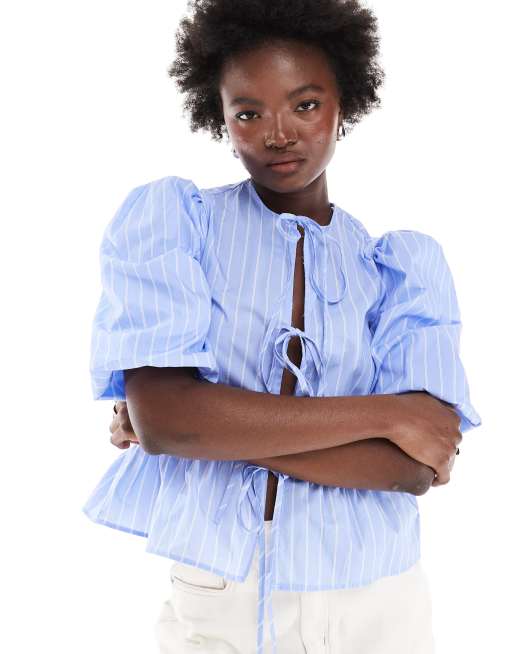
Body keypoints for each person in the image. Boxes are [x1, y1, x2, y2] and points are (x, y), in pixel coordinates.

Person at [82, 1, 482, 652]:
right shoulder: (175, 226)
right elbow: (168, 422)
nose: (278, 134)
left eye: (305, 105)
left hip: (378, 597)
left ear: (343, 105)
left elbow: (412, 468)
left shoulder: (400, 269)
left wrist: (197, 427)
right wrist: (389, 413)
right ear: (220, 119)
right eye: (248, 113)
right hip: (222, 590)